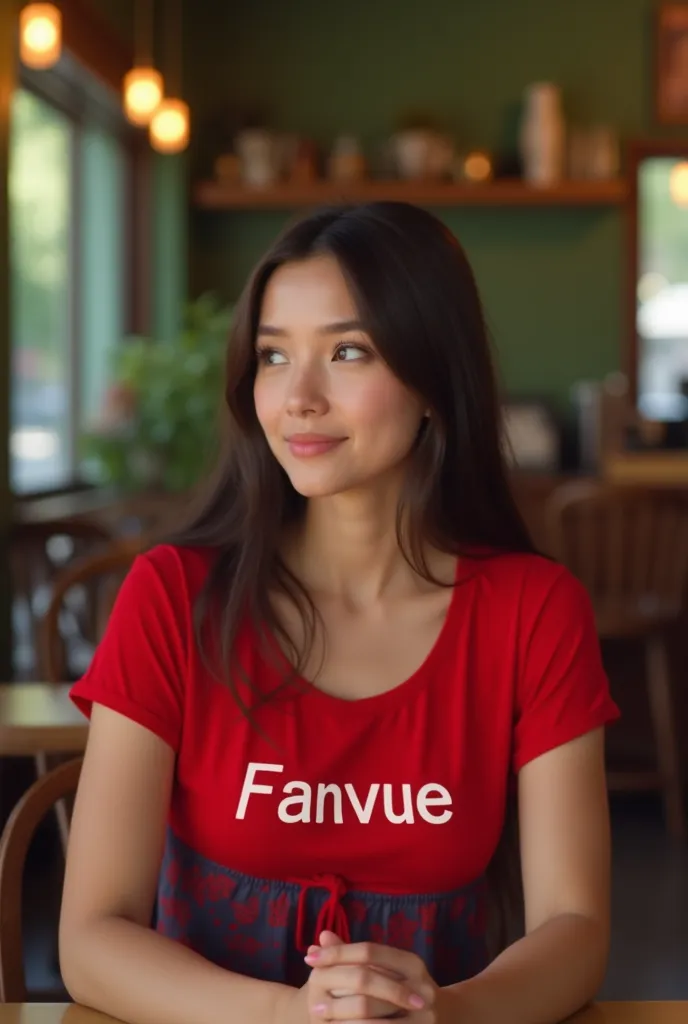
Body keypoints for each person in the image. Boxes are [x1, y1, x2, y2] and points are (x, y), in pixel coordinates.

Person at [60, 201, 620, 1024]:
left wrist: (448, 1012)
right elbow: (90, 940)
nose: (298, 398)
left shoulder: (535, 612)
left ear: (436, 377)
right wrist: (291, 1016)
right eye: (273, 356)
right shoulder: (173, 597)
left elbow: (577, 927)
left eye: (348, 351)